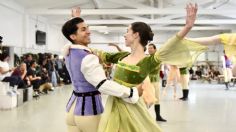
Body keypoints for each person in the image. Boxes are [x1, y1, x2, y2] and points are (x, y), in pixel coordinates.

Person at [61, 11, 141, 132]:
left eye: (87, 28)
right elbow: (102, 85)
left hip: (72, 108)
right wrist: (130, 92)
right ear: (73, 36)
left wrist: (75, 18)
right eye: (83, 29)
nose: (89, 31)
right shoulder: (87, 57)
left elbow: (70, 35)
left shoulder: (69, 51)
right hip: (88, 112)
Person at [147, 43, 166, 122]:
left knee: (157, 99)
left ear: (155, 49)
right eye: (148, 48)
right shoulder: (147, 58)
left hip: (155, 80)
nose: (149, 49)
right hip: (148, 81)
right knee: (148, 99)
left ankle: (158, 116)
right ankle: (141, 113)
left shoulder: (157, 58)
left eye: (151, 48)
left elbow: (155, 67)